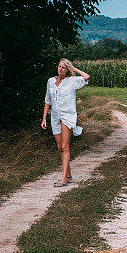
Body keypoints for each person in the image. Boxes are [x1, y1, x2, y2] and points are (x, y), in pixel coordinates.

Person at [41, 59, 90, 187]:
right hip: (55, 117)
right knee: (59, 148)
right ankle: (69, 176)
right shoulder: (51, 81)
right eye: (59, 66)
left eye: (63, 67)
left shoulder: (73, 81)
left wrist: (74, 69)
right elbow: (48, 100)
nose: (60, 69)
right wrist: (44, 118)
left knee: (65, 147)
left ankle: (63, 179)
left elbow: (86, 77)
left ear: (67, 69)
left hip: (67, 116)